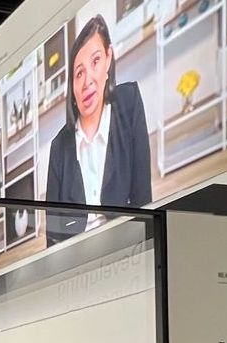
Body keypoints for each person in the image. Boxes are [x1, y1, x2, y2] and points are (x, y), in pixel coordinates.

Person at [43, 14, 153, 245]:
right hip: (78, 264)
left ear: (108, 59)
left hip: (126, 248)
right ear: (71, 86)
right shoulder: (59, 146)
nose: (87, 81)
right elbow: (54, 237)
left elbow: (144, 199)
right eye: (79, 73)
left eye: (95, 61)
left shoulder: (129, 101)